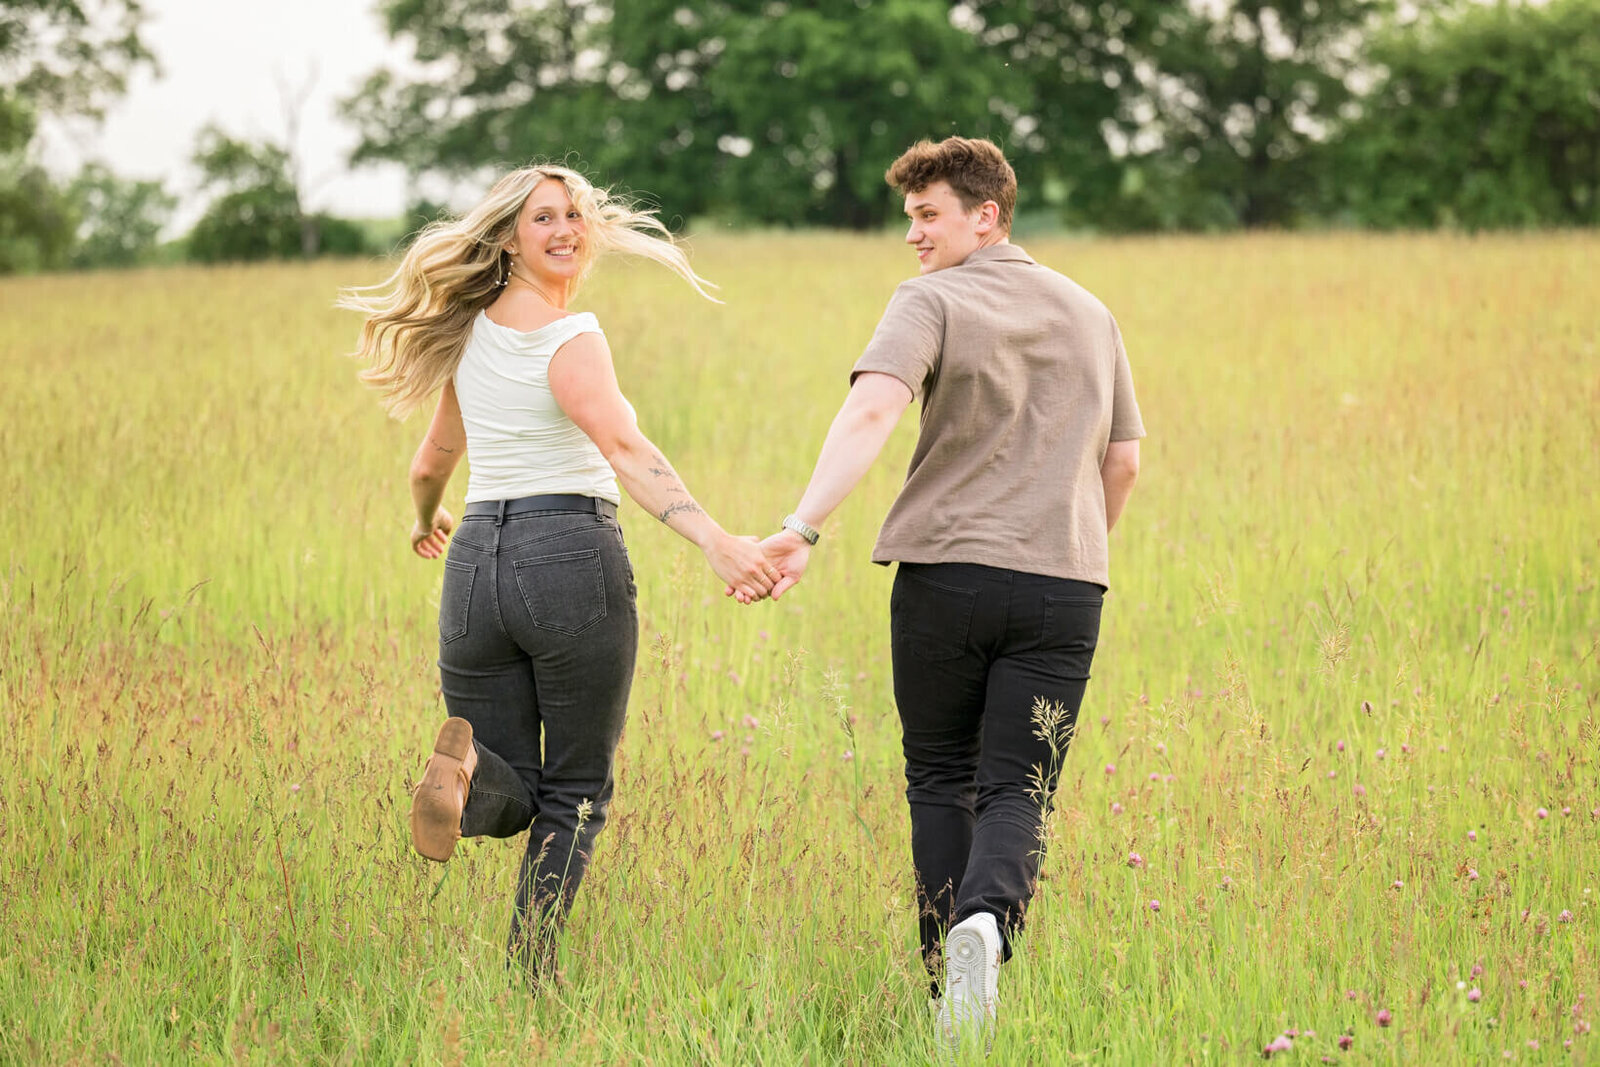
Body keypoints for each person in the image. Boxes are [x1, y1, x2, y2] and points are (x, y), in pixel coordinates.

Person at [340, 163, 780, 979]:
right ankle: (530, 971)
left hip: (474, 564)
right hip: (568, 555)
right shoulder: (571, 337)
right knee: (576, 791)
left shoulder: (467, 336)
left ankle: (466, 771)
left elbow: (431, 461)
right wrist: (716, 539)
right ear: (509, 236)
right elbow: (624, 447)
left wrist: (425, 518)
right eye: (543, 217)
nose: (566, 229)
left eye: (575, 214)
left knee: (513, 789)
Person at [759, 137, 1144, 1049]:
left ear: (987, 215)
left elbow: (872, 408)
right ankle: (989, 926)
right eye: (910, 218)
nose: (914, 235)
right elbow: (1124, 459)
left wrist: (803, 527)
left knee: (940, 776)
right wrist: (1072, 544)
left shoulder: (928, 301)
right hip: (1065, 584)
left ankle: (947, 983)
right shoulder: (1092, 312)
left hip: (945, 578)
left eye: (929, 215)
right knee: (1021, 786)